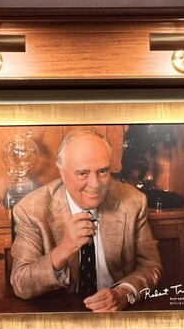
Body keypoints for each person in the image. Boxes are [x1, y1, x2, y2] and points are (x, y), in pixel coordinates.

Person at [10, 129, 163, 312]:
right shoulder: (30, 209)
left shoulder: (133, 202)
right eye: (82, 173)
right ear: (62, 172)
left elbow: (151, 267)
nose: (95, 184)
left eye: (103, 171)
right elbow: (21, 284)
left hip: (116, 313)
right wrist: (62, 251)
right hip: (60, 312)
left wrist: (124, 293)